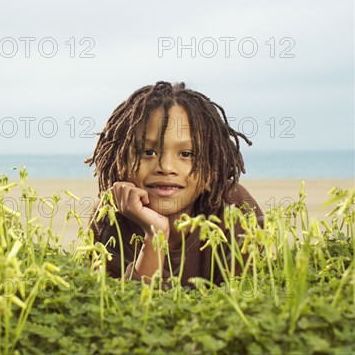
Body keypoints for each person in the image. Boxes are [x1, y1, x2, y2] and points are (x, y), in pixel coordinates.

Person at [85, 81, 264, 287]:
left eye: (187, 154)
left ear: (211, 169)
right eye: (147, 152)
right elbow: (126, 311)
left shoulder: (234, 206)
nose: (166, 167)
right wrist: (155, 237)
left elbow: (247, 299)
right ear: (121, 161)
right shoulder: (110, 217)